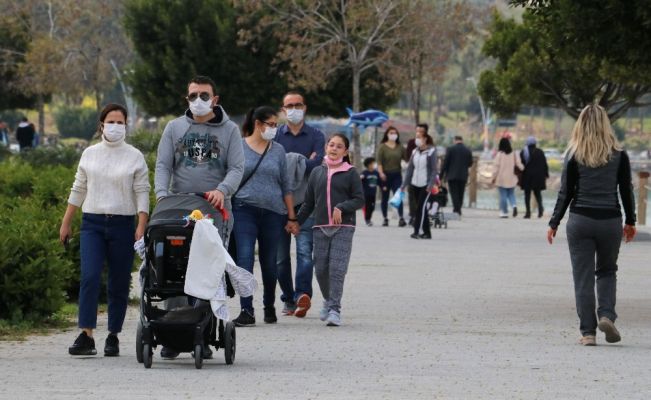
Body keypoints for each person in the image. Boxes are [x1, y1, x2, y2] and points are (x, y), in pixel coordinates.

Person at [154, 75, 244, 359]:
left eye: (204, 95)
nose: (198, 101)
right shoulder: (174, 128)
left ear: (215, 99)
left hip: (214, 209)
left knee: (206, 272)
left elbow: (237, 167)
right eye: (193, 96)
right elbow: (163, 165)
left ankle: (201, 334)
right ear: (187, 99)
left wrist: (222, 189)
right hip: (180, 207)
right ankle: (171, 334)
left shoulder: (230, 130)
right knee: (173, 269)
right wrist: (161, 195)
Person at [60, 103, 150, 357]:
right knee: (89, 276)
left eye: (120, 122)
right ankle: (86, 334)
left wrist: (141, 225)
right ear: (101, 124)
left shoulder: (134, 156)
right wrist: (66, 221)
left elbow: (142, 191)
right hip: (92, 223)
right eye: (111, 121)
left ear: (126, 126)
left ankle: (113, 335)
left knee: (119, 282)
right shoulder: (89, 153)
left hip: (123, 224)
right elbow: (78, 188)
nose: (115, 126)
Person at [547, 104, 636, 346]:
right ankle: (606, 315)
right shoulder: (619, 155)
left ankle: (588, 333)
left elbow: (565, 192)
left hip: (581, 221)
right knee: (607, 271)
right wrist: (631, 221)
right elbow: (626, 191)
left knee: (583, 277)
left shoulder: (574, 154)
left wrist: (554, 222)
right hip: (609, 220)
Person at [230, 106, 296, 327]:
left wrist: (292, 217)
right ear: (258, 124)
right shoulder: (238, 147)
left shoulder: (278, 150)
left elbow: (286, 186)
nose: (274, 129)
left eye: (276, 125)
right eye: (270, 124)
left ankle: (269, 306)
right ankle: (246, 309)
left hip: (273, 213)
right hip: (243, 209)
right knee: (245, 257)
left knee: (269, 263)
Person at [295, 133, 364, 326]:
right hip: (320, 227)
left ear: (345, 151)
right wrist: (295, 222)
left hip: (344, 226)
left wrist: (342, 207)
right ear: (326, 147)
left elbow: (360, 199)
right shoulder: (317, 172)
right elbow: (308, 203)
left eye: (339, 146)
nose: (334, 149)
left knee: (337, 269)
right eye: (331, 145)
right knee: (321, 269)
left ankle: (335, 309)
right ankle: (328, 299)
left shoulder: (351, 172)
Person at [273, 90, 325, 317]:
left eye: (298, 105)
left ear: (305, 107)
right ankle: (288, 298)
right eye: (289, 105)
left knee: (305, 252)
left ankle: (302, 295)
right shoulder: (275, 136)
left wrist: (294, 161)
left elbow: (320, 166)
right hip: (278, 204)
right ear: (283, 110)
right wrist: (306, 160)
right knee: (280, 259)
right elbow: (272, 166)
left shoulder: (316, 135)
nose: (294, 109)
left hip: (307, 203)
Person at [402, 129, 438, 239]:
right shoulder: (414, 152)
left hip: (425, 185)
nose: (417, 139)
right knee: (421, 209)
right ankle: (427, 233)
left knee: (420, 209)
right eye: (416, 136)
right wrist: (404, 185)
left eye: (419, 137)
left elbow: (434, 170)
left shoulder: (431, 152)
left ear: (425, 139)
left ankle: (417, 231)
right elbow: (410, 169)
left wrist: (430, 185)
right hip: (414, 184)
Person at [376, 126, 406, 227]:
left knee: (398, 196)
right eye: (391, 133)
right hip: (385, 175)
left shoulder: (400, 147)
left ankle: (401, 218)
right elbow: (379, 162)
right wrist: (381, 173)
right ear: (387, 134)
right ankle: (385, 218)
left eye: (395, 133)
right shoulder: (382, 147)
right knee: (384, 197)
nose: (393, 134)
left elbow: (407, 158)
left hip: (397, 174)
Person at [441, 136, 473, 215]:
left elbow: (446, 163)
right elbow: (470, 163)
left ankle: (457, 209)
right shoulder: (467, 150)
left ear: (455, 140)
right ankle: (458, 208)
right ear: (462, 140)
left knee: (454, 193)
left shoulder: (450, 149)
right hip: (463, 175)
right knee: (461, 193)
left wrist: (441, 175)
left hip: (452, 175)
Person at [492, 137, 523, 218]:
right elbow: (519, 164)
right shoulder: (514, 153)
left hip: (501, 178)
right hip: (512, 178)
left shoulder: (500, 154)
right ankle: (514, 206)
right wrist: (523, 169)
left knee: (503, 195)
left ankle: (504, 212)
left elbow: (496, 167)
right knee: (511, 194)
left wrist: (493, 176)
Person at [520, 136, 549, 218]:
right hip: (538, 177)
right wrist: (546, 174)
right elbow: (544, 164)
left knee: (527, 195)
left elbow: (521, 163)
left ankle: (528, 213)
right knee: (538, 194)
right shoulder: (540, 152)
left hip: (527, 176)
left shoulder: (524, 152)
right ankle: (540, 211)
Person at [406, 124, 428, 224]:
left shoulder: (429, 145)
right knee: (412, 196)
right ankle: (412, 215)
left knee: (421, 198)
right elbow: (407, 157)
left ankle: (420, 217)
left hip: (424, 177)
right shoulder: (412, 143)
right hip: (413, 175)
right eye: (417, 131)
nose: (418, 133)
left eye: (421, 131)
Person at [360, 157, 380, 226]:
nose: (373, 165)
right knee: (368, 207)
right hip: (366, 193)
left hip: (373, 193)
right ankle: (367, 220)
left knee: (372, 207)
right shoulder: (364, 173)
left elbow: (379, 181)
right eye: (372, 164)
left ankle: (368, 219)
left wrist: (383, 187)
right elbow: (359, 180)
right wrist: (361, 178)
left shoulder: (376, 173)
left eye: (373, 164)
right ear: (368, 165)